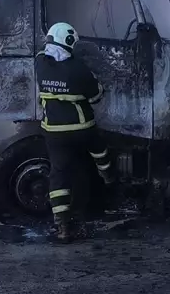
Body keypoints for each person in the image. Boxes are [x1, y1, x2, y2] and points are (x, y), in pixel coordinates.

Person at [35, 22, 113, 241]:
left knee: (58, 174)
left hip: (54, 132)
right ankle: (109, 178)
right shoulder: (78, 69)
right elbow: (97, 96)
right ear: (69, 42)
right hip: (82, 129)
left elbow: (44, 50)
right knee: (99, 150)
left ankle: (62, 226)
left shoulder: (40, 64)